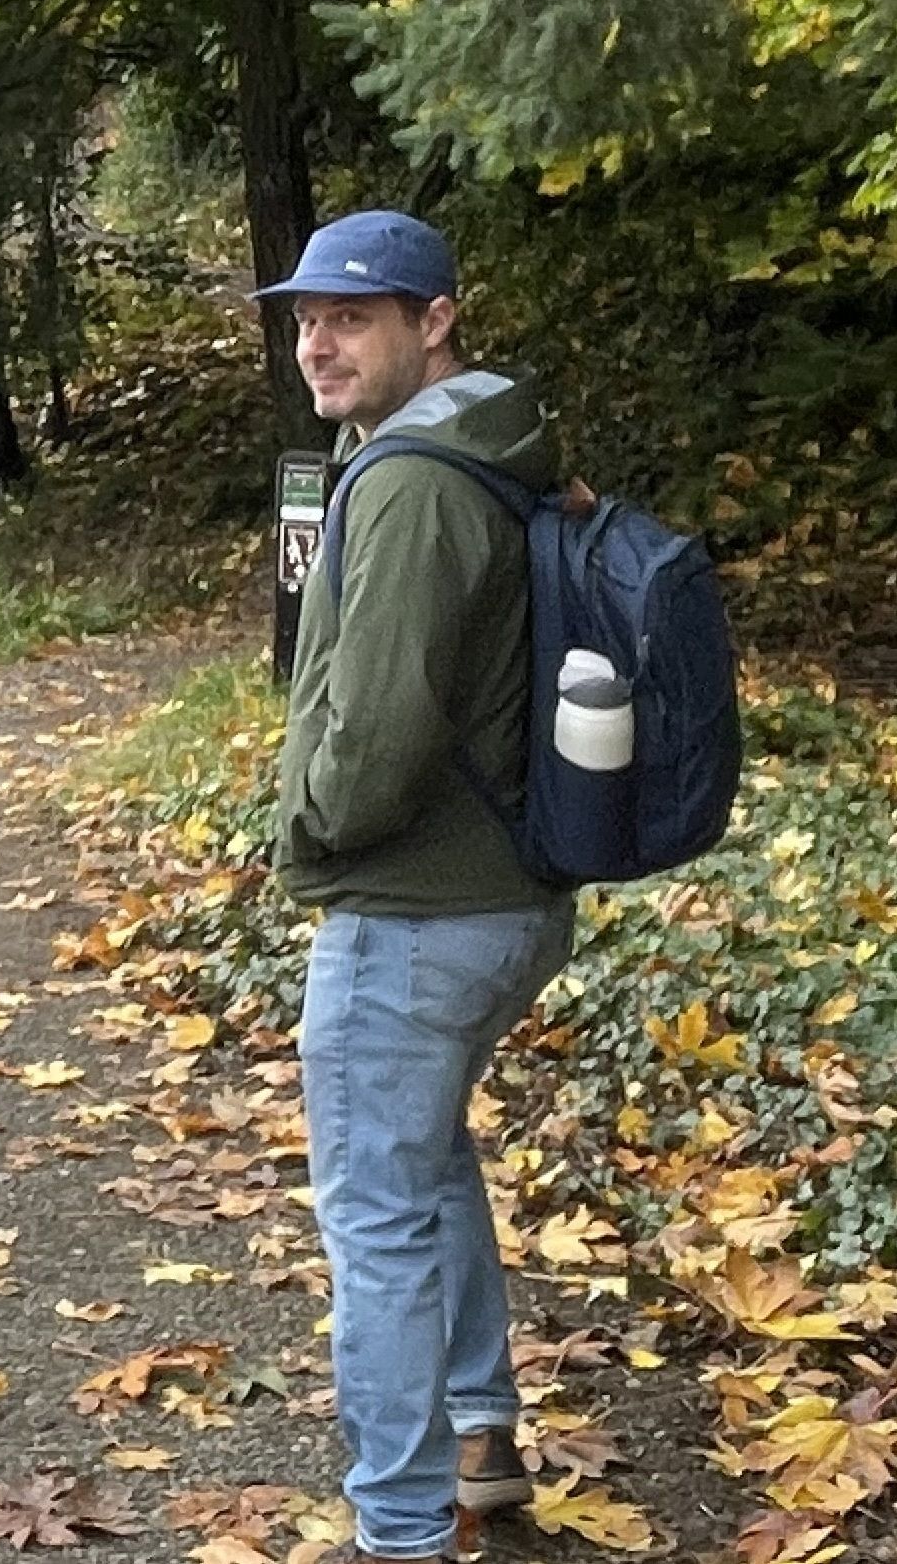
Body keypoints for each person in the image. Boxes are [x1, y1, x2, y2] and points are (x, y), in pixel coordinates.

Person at [258, 210, 574, 1564]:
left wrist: (309, 814)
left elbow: (375, 735)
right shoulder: (462, 450)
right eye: (307, 318)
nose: (318, 343)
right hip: (505, 894)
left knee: (375, 1222)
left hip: (416, 913)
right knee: (428, 1161)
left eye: (354, 317)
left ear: (435, 320)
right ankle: (482, 1438)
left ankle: (398, 1530)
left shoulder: (413, 483)